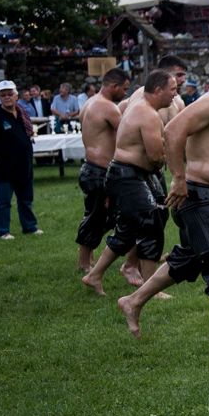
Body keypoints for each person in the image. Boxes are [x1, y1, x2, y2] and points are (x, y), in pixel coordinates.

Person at [117, 57, 209, 342]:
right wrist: (178, 178)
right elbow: (173, 130)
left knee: (191, 257)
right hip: (197, 191)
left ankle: (133, 301)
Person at [82, 70, 179, 295]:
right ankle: (150, 288)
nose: (175, 94)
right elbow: (155, 156)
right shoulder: (147, 113)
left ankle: (94, 275)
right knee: (151, 221)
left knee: (128, 228)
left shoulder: (142, 107)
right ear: (158, 90)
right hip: (127, 175)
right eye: (172, 90)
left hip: (129, 174)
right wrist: (171, 156)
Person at [75, 68, 132, 273]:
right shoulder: (109, 108)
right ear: (114, 86)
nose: (125, 93)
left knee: (100, 215)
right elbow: (126, 137)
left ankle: (88, 255)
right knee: (99, 217)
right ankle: (84, 262)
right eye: (124, 89)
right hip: (100, 171)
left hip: (90, 168)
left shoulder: (88, 104)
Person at [0, 80, 40, 239]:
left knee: (26, 199)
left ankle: (30, 227)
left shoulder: (22, 114)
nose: (7, 97)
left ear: (16, 96)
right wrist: (1, 153)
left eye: (10, 94)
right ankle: (2, 231)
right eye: (3, 95)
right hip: (5, 166)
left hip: (24, 164)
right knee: (4, 201)